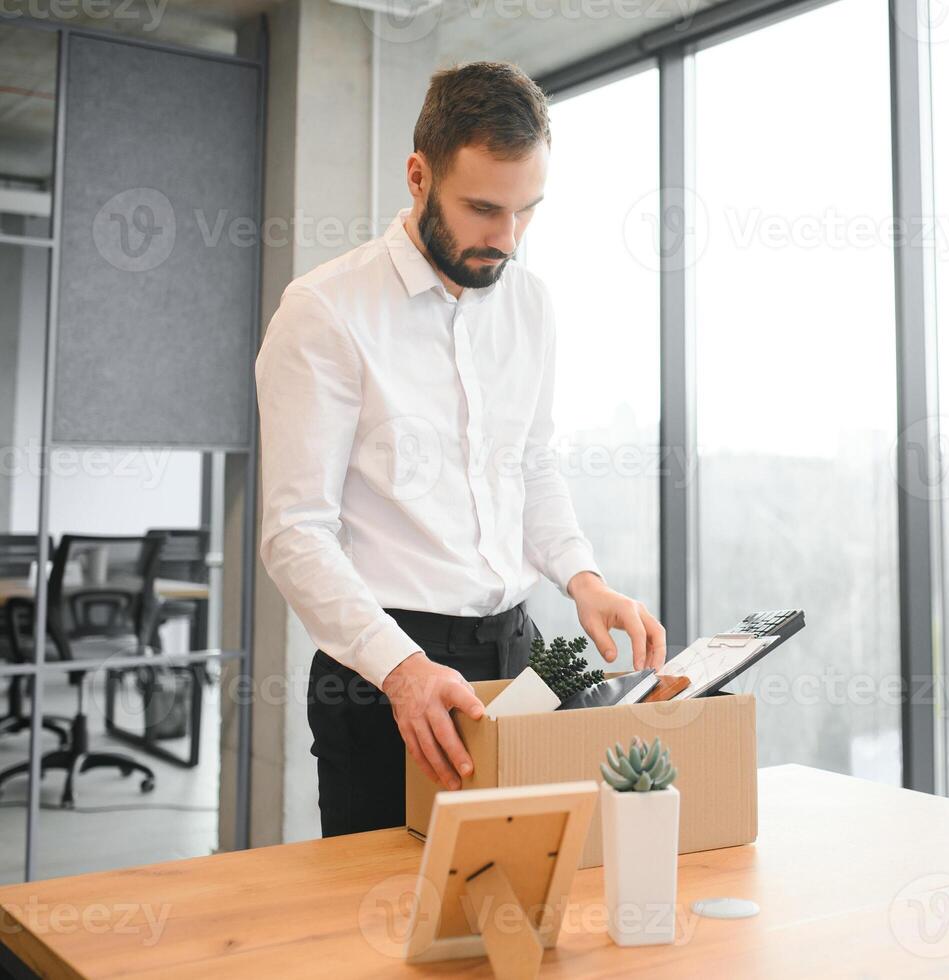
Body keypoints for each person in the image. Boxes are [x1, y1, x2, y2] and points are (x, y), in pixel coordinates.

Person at [255, 61, 665, 837]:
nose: (505, 240)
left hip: (520, 647)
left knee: (535, 893)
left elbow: (529, 462)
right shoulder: (325, 313)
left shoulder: (529, 302)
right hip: (386, 669)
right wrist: (401, 669)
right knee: (385, 928)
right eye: (482, 209)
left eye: (526, 211)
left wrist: (582, 577)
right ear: (418, 176)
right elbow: (294, 533)